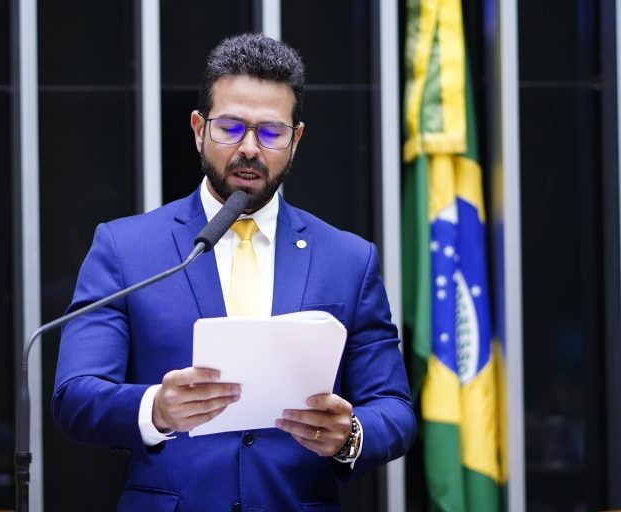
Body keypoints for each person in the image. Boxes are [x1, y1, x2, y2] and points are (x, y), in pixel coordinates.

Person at [53, 33, 415, 511]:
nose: (249, 149)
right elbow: (76, 395)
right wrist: (156, 409)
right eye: (231, 128)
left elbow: (394, 408)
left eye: (271, 133)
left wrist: (350, 435)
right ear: (198, 128)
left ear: (296, 139)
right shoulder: (126, 248)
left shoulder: (348, 258)